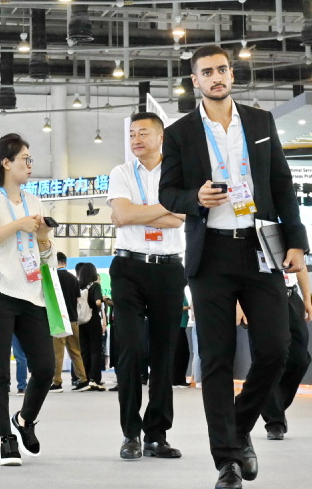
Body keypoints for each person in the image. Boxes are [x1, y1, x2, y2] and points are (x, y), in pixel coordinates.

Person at [159, 45, 306, 489]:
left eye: (222, 69)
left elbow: (281, 183)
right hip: (211, 255)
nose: (217, 77)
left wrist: (297, 242)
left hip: (261, 247)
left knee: (277, 349)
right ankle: (226, 460)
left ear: (232, 74)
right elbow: (168, 192)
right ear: (195, 81)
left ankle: (238, 428)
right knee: (217, 358)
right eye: (207, 72)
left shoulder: (259, 122)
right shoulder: (180, 132)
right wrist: (194, 199)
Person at [0, 133, 56, 466]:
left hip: (33, 294)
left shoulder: (35, 201)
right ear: (6, 162)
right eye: (25, 159)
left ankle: (25, 419)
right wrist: (17, 225)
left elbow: (46, 254)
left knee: (45, 367)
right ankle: (6, 438)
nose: (30, 165)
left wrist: (43, 237)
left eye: (31, 160)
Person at [107, 111, 186, 460]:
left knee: (164, 354)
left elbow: (183, 217)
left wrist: (140, 212)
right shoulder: (121, 173)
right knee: (131, 350)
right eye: (132, 134)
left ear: (160, 136)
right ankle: (130, 433)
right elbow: (123, 214)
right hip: (128, 268)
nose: (136, 140)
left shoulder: (179, 172)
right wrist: (164, 211)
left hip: (169, 270)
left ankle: (157, 435)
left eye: (143, 133)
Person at [260, 269, 312, 440]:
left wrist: (307, 298)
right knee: (271, 358)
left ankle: (272, 405)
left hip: (291, 296)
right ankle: (275, 422)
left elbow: (301, 266)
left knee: (300, 359)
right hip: (263, 297)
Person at [51, 252, 88, 392]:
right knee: (75, 352)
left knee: (58, 353)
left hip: (58, 320)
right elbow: (78, 299)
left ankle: (57, 382)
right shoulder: (73, 278)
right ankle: (83, 380)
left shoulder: (52, 278)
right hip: (73, 319)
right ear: (65, 263)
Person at [77, 262, 107, 392]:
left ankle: (85, 379)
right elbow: (97, 302)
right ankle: (95, 379)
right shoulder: (95, 286)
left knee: (84, 351)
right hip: (93, 320)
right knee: (95, 350)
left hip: (81, 321)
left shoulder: (79, 286)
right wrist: (103, 299)